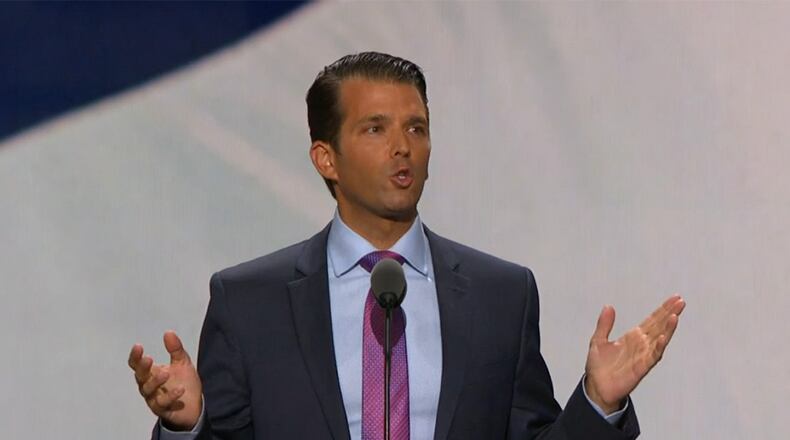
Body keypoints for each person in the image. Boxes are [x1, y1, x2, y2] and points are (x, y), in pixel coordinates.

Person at [128, 52, 685, 440]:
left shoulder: (502, 295)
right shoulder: (249, 301)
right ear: (326, 158)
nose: (403, 148)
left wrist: (597, 403)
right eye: (375, 129)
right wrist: (187, 426)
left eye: (416, 128)